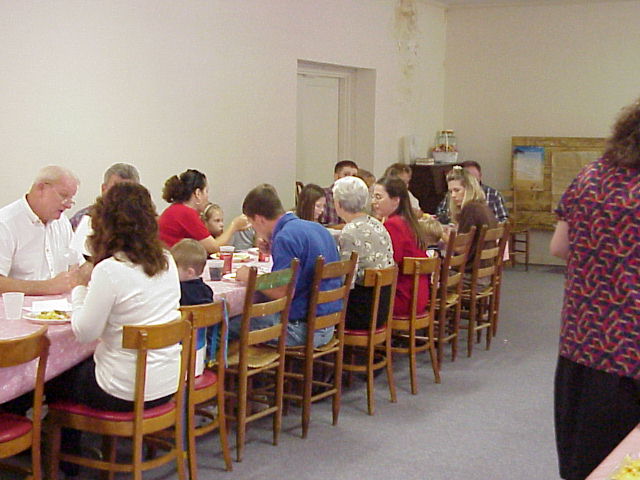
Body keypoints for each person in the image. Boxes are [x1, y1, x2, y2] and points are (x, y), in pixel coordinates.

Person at [45, 182, 181, 477]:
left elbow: (84, 332)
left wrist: (80, 288)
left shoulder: (110, 270)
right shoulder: (167, 261)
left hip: (123, 391)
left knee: (55, 376)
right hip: (166, 384)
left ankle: (67, 459)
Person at [550, 98, 640, 480]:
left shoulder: (589, 176)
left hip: (580, 349)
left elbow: (559, 247)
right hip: (631, 358)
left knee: (582, 465)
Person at [234, 184, 341, 347]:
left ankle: (218, 364)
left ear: (260, 219)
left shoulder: (285, 237)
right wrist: (273, 247)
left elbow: (281, 291)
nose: (254, 229)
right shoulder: (316, 228)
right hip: (327, 324)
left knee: (227, 325)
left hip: (302, 330)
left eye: (251, 223)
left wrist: (250, 277)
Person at [0, 165, 87, 295]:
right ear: (41, 188)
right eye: (63, 195)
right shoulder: (5, 223)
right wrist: (47, 287)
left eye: (71, 199)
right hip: (19, 306)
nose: (68, 205)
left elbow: (77, 265)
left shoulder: (62, 222)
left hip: (61, 306)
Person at [333, 176, 394, 330]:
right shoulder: (377, 224)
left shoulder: (349, 232)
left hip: (361, 313)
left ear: (338, 204)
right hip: (382, 307)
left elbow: (346, 281)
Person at [371, 176, 429, 316]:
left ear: (396, 200)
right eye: (373, 197)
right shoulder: (408, 221)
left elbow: (388, 263)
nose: (373, 202)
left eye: (378, 197)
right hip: (418, 294)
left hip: (403, 298)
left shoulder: (393, 225)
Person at [158, 169, 249, 253]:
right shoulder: (186, 213)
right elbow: (214, 248)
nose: (207, 197)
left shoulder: (176, 209)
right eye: (206, 191)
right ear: (198, 193)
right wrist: (234, 225)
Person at [70, 163, 140, 257]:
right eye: (116, 189)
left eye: (128, 191)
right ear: (104, 189)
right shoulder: (83, 218)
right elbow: (73, 258)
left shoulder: (145, 223)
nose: (122, 196)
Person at [171, 238, 214, 377]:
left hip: (176, 357)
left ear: (189, 272)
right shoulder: (207, 291)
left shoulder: (177, 292)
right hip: (200, 355)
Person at [436, 161, 508, 224]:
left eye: (457, 190)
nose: (453, 195)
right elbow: (440, 214)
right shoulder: (478, 206)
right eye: (451, 191)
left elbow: (464, 236)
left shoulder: (471, 210)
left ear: (469, 188)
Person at [318, 160, 358, 226]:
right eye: (346, 175)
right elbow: (319, 225)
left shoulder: (356, 199)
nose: (350, 179)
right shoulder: (323, 195)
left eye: (354, 176)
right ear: (336, 176)